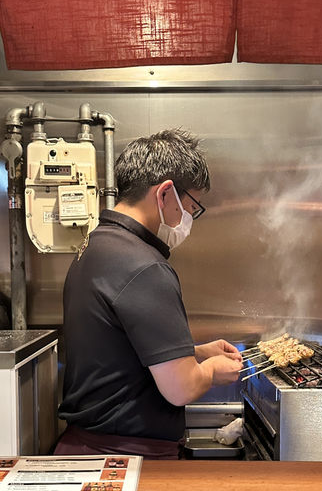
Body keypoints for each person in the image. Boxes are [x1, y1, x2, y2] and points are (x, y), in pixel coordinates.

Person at [54, 128, 242, 460]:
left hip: (86, 447)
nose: (188, 218)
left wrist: (193, 352)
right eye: (191, 205)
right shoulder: (144, 267)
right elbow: (180, 389)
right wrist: (211, 371)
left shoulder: (96, 245)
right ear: (166, 193)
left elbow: (119, 350)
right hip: (127, 457)